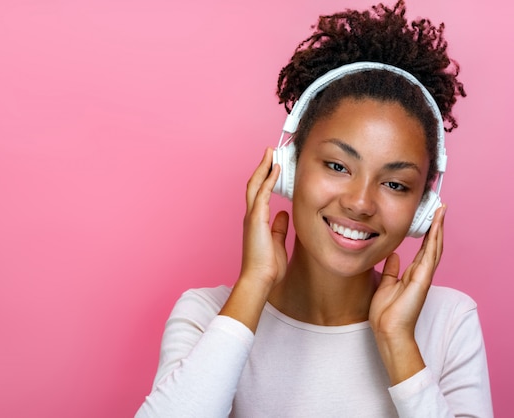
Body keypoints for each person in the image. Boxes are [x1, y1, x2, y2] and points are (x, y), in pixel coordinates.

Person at [135, 1, 492, 416]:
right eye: (338, 166)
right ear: (288, 168)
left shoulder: (449, 323)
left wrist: (398, 344)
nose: (360, 203)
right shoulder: (207, 315)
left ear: (423, 208)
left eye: (395, 183)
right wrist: (253, 286)